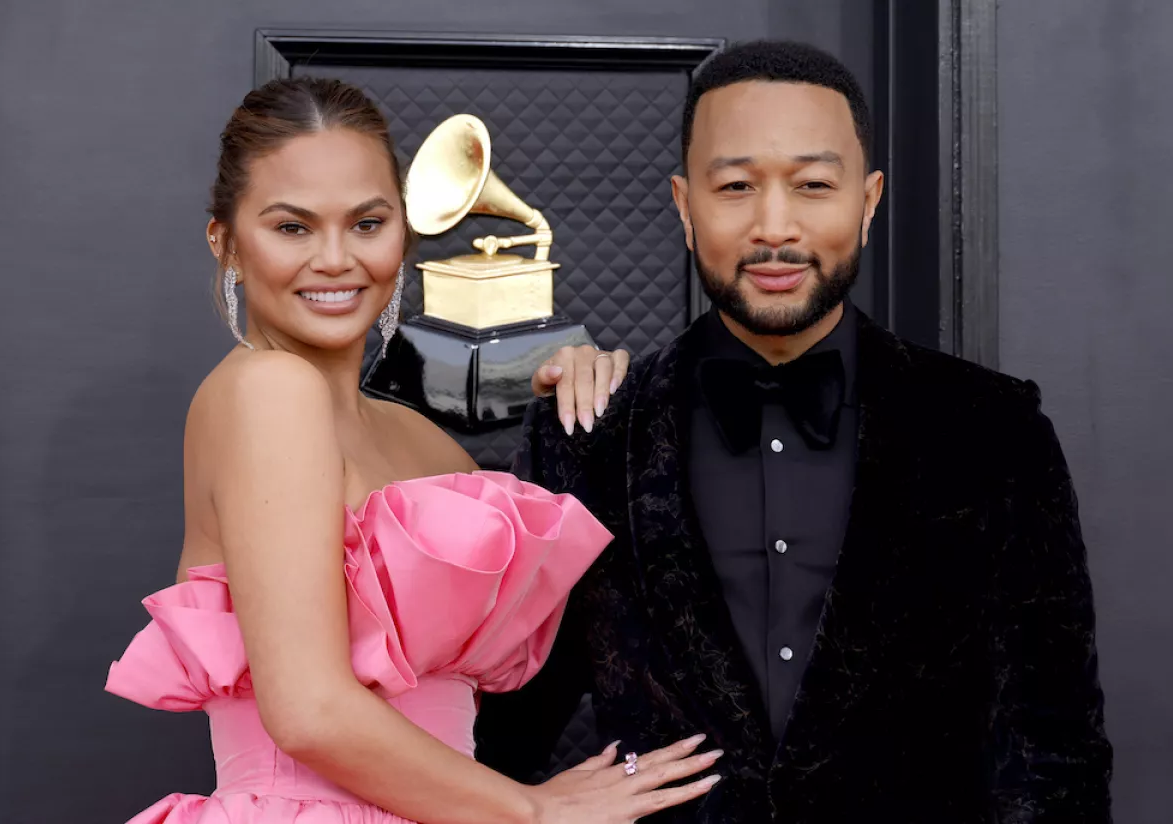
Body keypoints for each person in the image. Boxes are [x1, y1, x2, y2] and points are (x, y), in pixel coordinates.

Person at [477, 40, 1114, 822]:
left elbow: (1058, 747)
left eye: (813, 185)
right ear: (684, 205)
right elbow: (499, 723)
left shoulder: (995, 431)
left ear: (870, 200)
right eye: (737, 186)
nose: (774, 228)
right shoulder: (588, 431)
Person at [104, 76, 723, 824]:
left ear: (403, 231)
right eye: (292, 228)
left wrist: (593, 396)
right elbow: (306, 711)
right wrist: (531, 813)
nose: (335, 259)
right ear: (225, 242)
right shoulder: (268, 391)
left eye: (367, 224)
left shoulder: (418, 438)